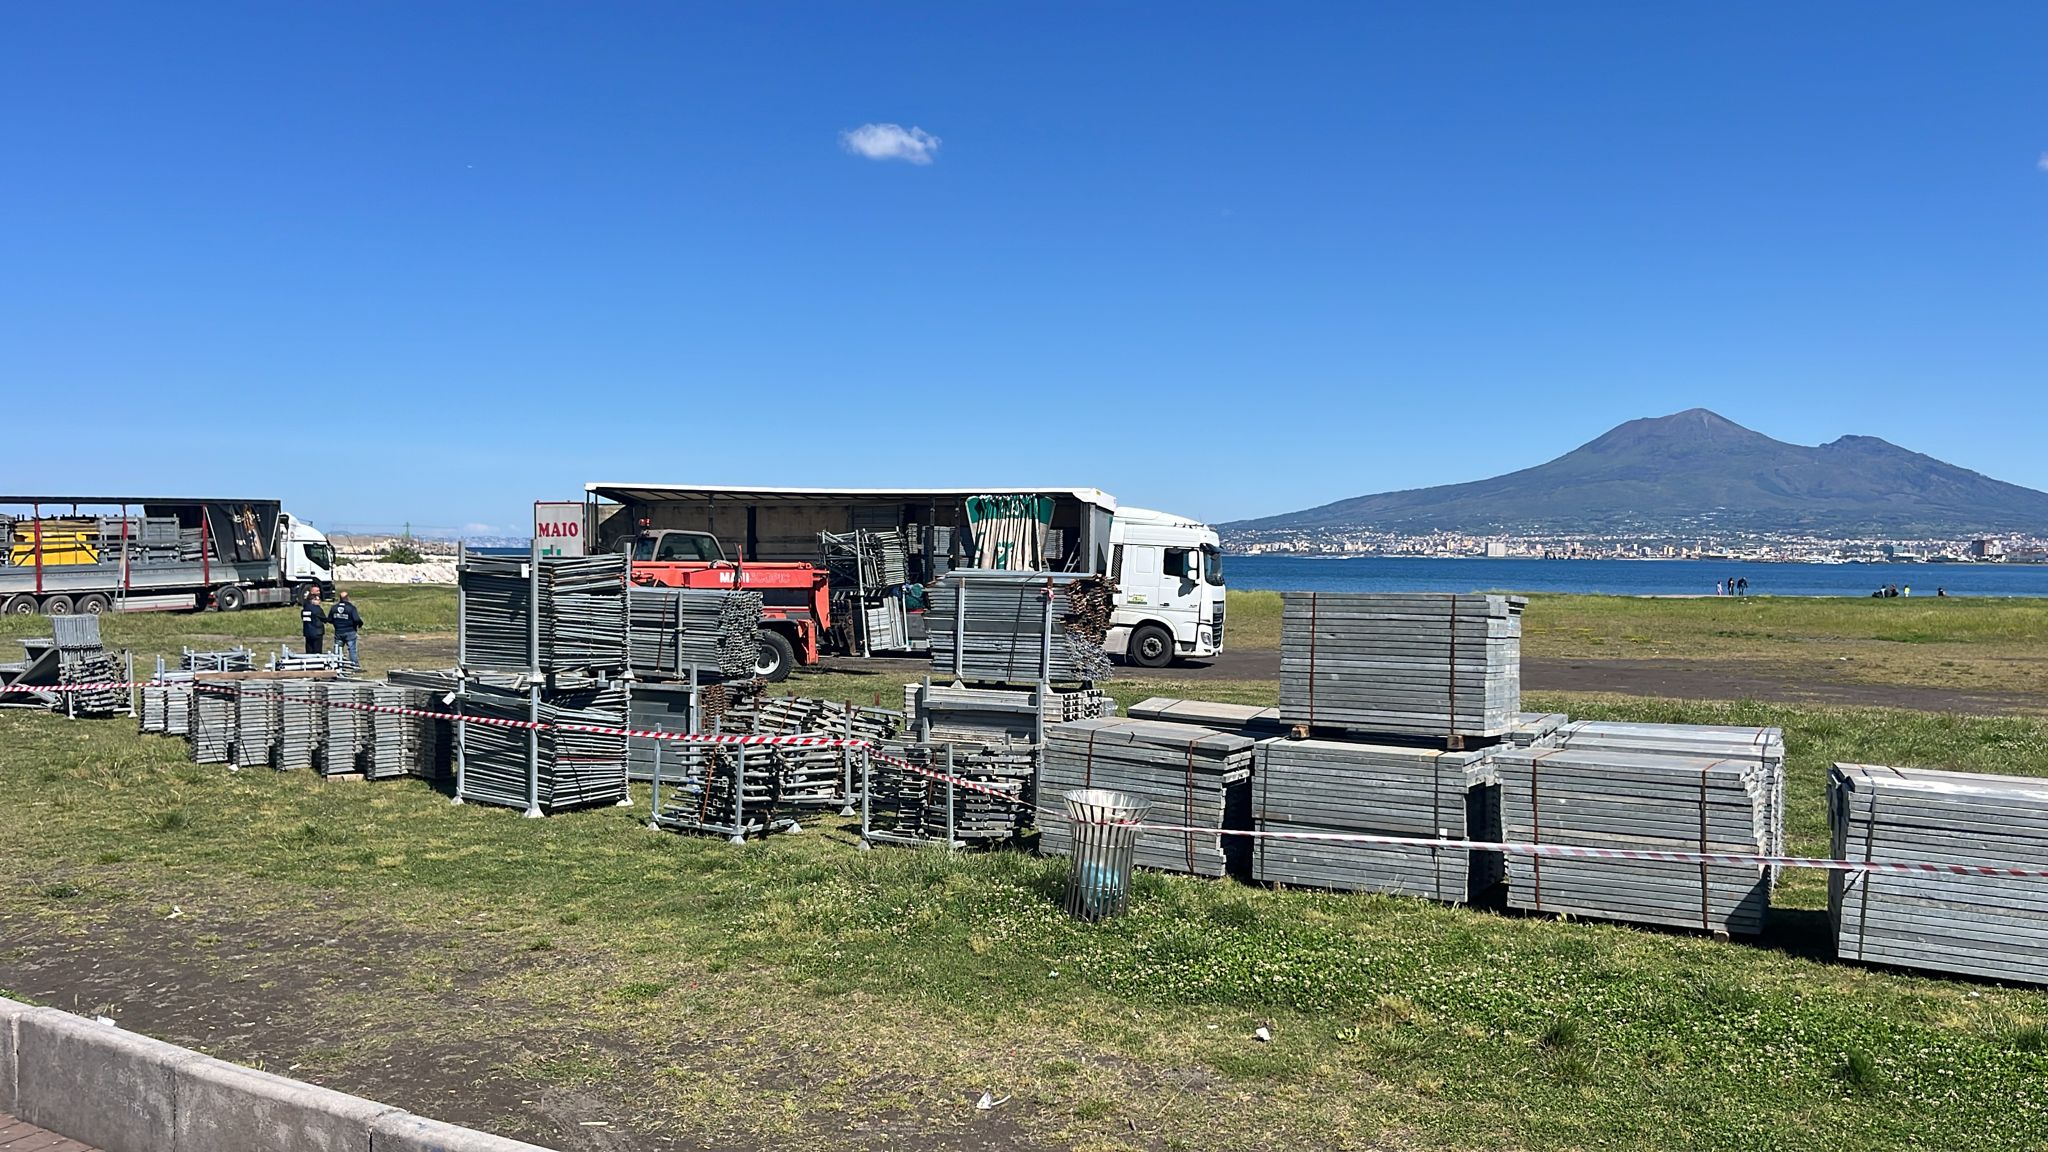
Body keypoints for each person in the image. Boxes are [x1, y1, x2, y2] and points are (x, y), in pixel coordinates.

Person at [330, 589, 364, 669]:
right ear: (347, 598)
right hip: (350, 631)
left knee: (338, 649)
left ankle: (337, 664)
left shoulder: (334, 608)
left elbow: (330, 619)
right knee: (352, 649)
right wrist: (360, 624)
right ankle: (354, 665)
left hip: (338, 631)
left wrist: (336, 624)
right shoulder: (351, 608)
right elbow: (356, 619)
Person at [300, 589, 328, 655]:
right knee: (317, 651)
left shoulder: (304, 609)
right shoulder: (317, 609)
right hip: (317, 632)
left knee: (309, 651)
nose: (319, 601)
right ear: (313, 600)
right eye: (317, 600)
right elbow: (324, 619)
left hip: (307, 632)